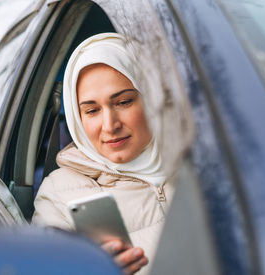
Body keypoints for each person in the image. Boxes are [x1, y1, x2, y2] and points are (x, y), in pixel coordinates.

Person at [32, 33, 174, 275]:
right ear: (77, 119)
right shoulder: (57, 196)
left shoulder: (207, 163)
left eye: (124, 102)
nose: (109, 125)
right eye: (92, 110)